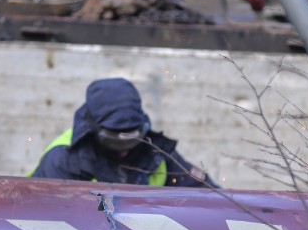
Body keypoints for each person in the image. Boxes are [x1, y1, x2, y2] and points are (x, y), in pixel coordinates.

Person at [29, 78, 217, 187]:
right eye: (115, 143)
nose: (124, 151)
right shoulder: (64, 159)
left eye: (131, 141)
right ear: (94, 130)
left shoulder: (155, 151)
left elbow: (205, 195)